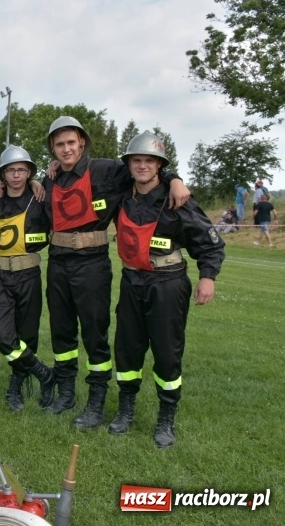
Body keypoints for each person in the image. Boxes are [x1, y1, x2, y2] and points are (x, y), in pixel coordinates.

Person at [41, 116, 190, 431]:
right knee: (61, 331)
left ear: (82, 142)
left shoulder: (106, 170)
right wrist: (32, 180)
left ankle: (96, 401)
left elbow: (145, 168)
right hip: (57, 262)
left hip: (92, 264)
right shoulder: (51, 178)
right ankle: (66, 392)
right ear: (52, 149)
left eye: (71, 142)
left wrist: (175, 178)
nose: (66, 149)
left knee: (95, 334)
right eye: (59, 144)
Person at [109, 131, 225, 447]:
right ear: (129, 164)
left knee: (166, 353)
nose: (143, 166)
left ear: (159, 165)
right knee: (127, 349)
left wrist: (207, 277)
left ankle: (166, 417)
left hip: (167, 284)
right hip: (131, 282)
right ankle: (126, 409)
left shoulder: (178, 199)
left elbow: (211, 244)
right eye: (137, 160)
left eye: (150, 160)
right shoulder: (122, 194)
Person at [0, 145, 55, 412]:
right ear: (3, 174)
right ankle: (44, 373)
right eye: (11, 170)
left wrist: (41, 179)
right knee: (2, 336)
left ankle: (16, 387)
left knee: (27, 335)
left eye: (22, 170)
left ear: (29, 172)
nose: (17, 176)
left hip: (29, 274)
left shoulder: (40, 198)